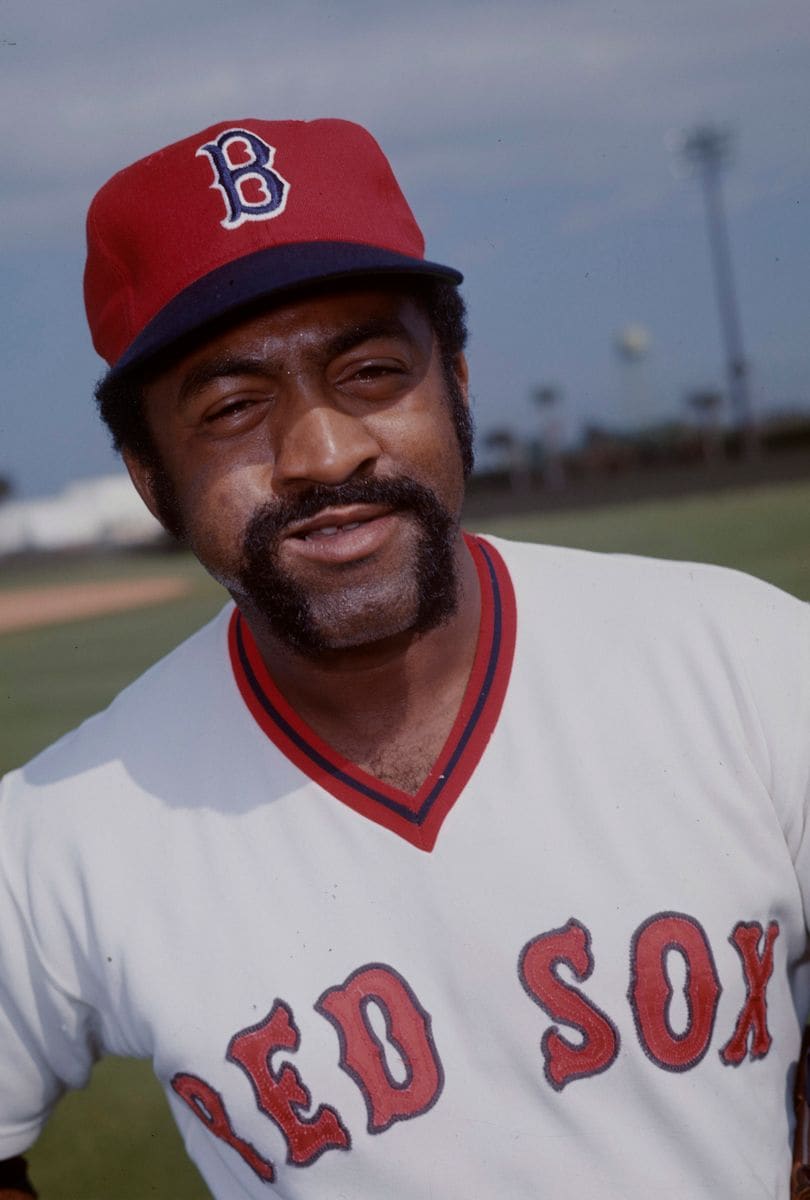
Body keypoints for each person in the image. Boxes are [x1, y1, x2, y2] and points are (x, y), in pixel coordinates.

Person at [1, 117, 809, 1200]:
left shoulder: (752, 664)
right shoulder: (58, 838)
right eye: (235, 407)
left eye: (374, 370)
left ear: (459, 385)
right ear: (150, 474)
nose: (326, 451)